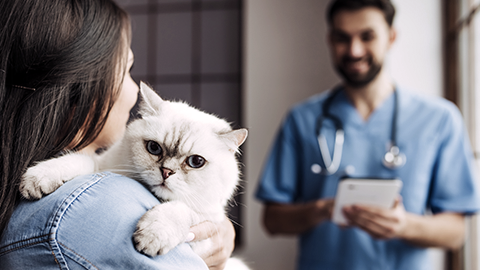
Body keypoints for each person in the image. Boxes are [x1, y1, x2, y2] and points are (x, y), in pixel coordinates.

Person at [0, 0, 234, 269]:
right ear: (78, 89)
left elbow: (95, 166)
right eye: (128, 70)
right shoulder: (101, 205)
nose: (136, 90)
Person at [255, 0, 480, 269]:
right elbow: (272, 219)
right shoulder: (302, 119)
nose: (354, 50)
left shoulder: (440, 119)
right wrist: (323, 210)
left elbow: (456, 233)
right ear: (329, 40)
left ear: (391, 36)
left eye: (367, 36)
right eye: (342, 38)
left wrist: (404, 225)